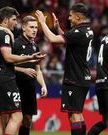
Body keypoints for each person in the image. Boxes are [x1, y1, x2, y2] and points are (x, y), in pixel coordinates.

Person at [36, 3, 94, 135]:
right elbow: (69, 39)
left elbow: (52, 39)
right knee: (77, 113)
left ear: (78, 17)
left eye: (71, 16)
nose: (68, 18)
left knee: (74, 115)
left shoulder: (79, 32)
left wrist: (42, 22)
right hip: (83, 77)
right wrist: (57, 28)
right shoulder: (87, 30)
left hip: (74, 78)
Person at [0, 7, 45, 135]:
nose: (15, 22)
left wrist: (43, 84)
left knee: (1, 117)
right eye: (14, 19)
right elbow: (8, 57)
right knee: (16, 117)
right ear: (6, 20)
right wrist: (28, 59)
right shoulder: (7, 36)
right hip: (7, 79)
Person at [12, 15, 47, 135]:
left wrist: (43, 85)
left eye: (36, 27)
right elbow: (6, 65)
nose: (34, 30)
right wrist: (23, 70)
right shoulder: (15, 44)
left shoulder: (35, 46)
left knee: (28, 119)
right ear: (23, 27)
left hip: (30, 87)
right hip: (16, 86)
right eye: (31, 27)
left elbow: (38, 69)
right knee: (13, 119)